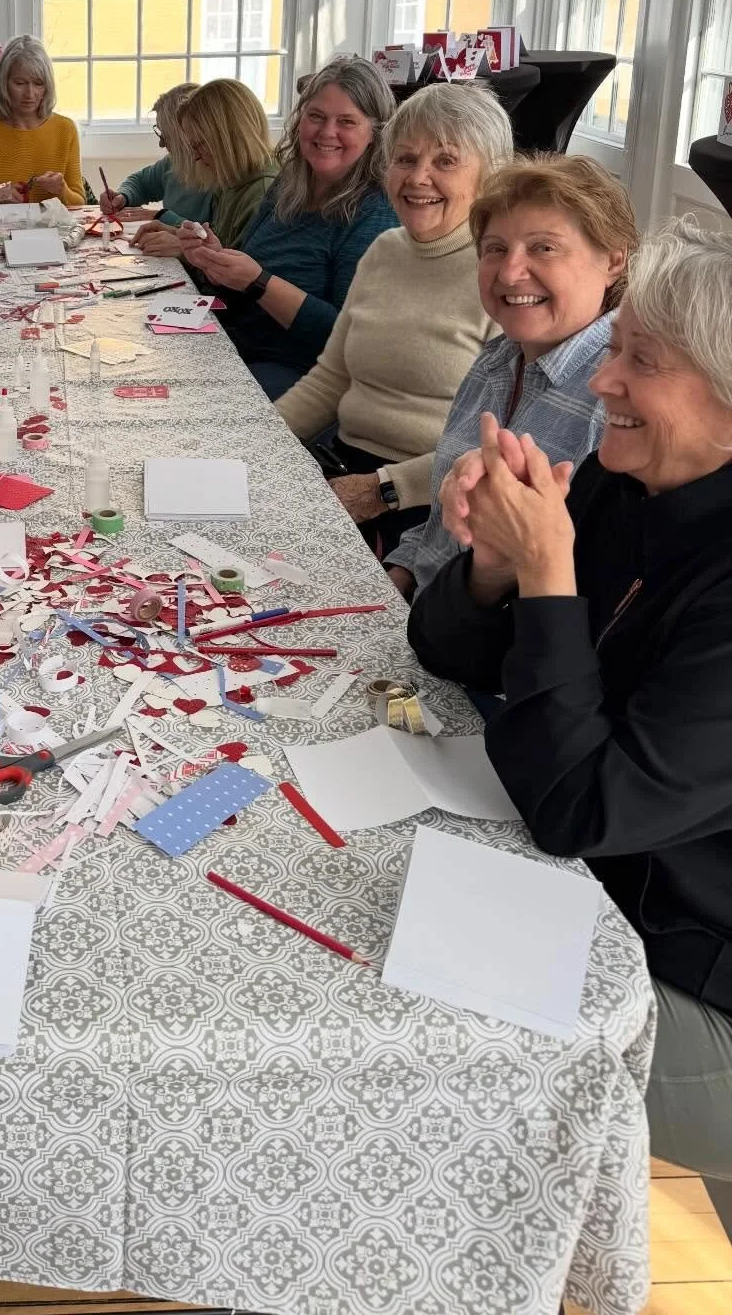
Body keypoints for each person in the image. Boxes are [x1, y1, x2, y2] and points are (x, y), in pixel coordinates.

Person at [408, 218, 732, 1206]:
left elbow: (579, 809)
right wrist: (500, 569)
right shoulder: (627, 479)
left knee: (417, 1031)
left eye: (643, 362)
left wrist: (549, 573)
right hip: (606, 887)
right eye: (617, 348)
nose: (601, 383)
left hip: (695, 972)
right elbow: (447, 651)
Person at [385, 154, 638, 598]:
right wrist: (397, 577)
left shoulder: (617, 397)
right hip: (425, 609)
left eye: (544, 247)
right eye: (496, 249)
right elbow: (438, 528)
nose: (509, 272)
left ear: (614, 261)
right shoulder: (498, 358)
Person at [275, 84, 513, 554]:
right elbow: (330, 380)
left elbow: (504, 438)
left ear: (489, 177)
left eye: (445, 161)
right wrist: (254, 436)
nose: (418, 178)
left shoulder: (503, 273)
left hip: (432, 502)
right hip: (343, 472)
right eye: (405, 159)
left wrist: (384, 489)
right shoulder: (385, 249)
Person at [179, 56, 398, 399]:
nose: (327, 132)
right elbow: (243, 288)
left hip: (300, 375)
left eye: (346, 121)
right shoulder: (288, 185)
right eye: (316, 116)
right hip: (237, 348)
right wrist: (214, 261)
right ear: (300, 121)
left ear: (374, 133)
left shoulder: (375, 212)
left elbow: (346, 339)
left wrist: (258, 282)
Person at [131, 78, 278, 254]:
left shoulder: (261, 194)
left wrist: (184, 250)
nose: (195, 156)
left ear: (227, 139)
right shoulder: (233, 178)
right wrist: (178, 234)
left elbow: (240, 275)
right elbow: (220, 241)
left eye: (199, 145)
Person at [0, 36, 83, 204]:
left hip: (55, 231)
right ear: (3, 83)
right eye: (20, 83)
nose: (30, 93)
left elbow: (80, 204)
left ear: (48, 86)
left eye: (38, 83)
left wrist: (62, 190)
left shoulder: (66, 129)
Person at [98, 83, 214, 227]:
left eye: (166, 136)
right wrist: (123, 197)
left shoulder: (217, 175)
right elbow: (141, 182)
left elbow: (216, 237)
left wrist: (160, 216)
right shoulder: (172, 164)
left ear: (185, 134)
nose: (161, 144)